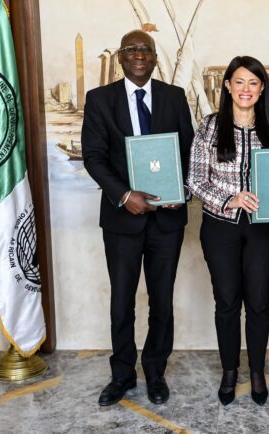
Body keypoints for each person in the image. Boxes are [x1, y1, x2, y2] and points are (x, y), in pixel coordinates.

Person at [81, 29, 194, 406]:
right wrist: (124, 195)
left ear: (156, 58)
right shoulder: (99, 100)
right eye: (131, 49)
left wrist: (181, 191)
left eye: (146, 49)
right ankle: (122, 375)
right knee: (122, 302)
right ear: (120, 57)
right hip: (122, 222)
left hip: (167, 222)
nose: (139, 55)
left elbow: (189, 151)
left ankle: (156, 372)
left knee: (162, 301)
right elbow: (94, 157)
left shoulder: (175, 97)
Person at [187, 56, 269, 406]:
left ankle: (257, 371)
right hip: (220, 229)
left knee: (259, 302)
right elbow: (195, 180)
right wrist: (229, 199)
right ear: (228, 86)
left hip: (265, 230)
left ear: (262, 90)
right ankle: (230, 370)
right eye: (240, 82)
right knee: (227, 302)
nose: (246, 89)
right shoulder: (209, 127)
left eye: (253, 83)